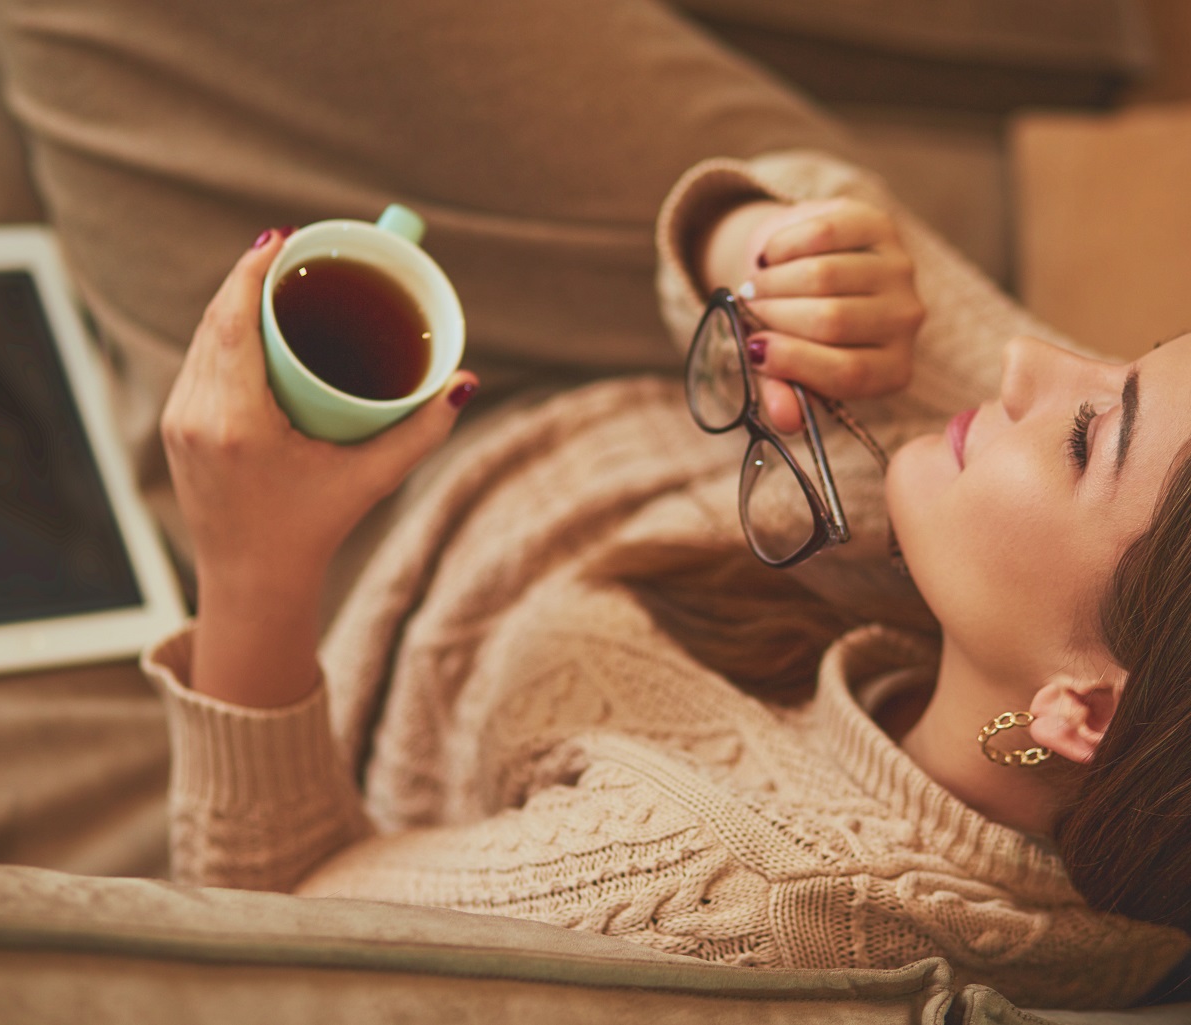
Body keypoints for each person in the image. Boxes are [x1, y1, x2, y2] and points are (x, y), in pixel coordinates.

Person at [145, 137, 1191, 1011]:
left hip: (352, 542)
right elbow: (846, 220)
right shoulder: (1103, 714)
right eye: (1122, 356)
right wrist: (773, 248)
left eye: (1091, 432)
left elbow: (274, 932)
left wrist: (250, 565)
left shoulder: (708, 882)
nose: (1029, 365)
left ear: (1078, 713)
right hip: (617, 375)